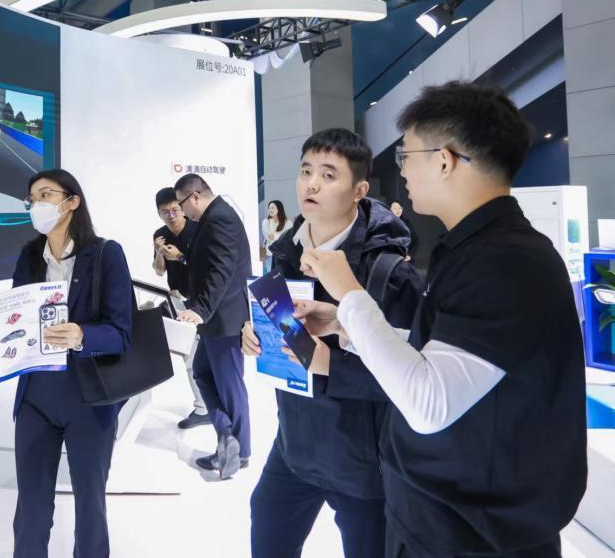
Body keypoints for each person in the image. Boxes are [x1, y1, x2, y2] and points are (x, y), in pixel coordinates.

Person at [300, 82, 587, 557]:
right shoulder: (474, 248)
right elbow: (441, 357)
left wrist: (350, 293)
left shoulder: (508, 261)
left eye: (406, 155)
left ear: (445, 161)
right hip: (436, 518)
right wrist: (345, 328)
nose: (403, 170)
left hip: (472, 535)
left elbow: (429, 401)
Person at [242, 128, 423, 558]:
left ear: (359, 190)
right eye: (306, 171)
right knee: (267, 526)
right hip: (294, 443)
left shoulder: (388, 272)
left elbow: (413, 380)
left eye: (328, 175)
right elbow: (284, 333)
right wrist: (254, 334)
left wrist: (330, 364)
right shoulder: (284, 254)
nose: (311, 184)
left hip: (364, 463)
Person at [11, 169, 133, 558]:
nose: (37, 205)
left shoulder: (105, 254)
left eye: (46, 195)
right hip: (37, 396)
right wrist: (11, 336)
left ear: (72, 202)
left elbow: (121, 334)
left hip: (89, 399)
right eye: (32, 199)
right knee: (31, 509)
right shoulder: (30, 256)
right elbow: (19, 313)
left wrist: (82, 335)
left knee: (90, 506)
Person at [174, 173, 253, 479]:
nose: (183, 212)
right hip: (215, 319)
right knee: (202, 373)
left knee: (230, 386)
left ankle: (240, 452)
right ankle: (227, 436)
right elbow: (207, 264)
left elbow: (221, 270)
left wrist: (201, 310)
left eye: (182, 205)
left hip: (225, 319)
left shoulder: (221, 218)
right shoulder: (212, 218)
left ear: (194, 197)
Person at [151, 187, 208, 430]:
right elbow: (159, 270)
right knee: (190, 355)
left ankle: (207, 406)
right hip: (177, 300)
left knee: (202, 355)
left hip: (201, 301)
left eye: (174, 210)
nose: (171, 216)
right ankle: (204, 406)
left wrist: (180, 257)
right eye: (165, 212)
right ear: (159, 213)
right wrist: (159, 253)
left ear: (182, 208)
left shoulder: (198, 229)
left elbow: (208, 267)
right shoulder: (160, 235)